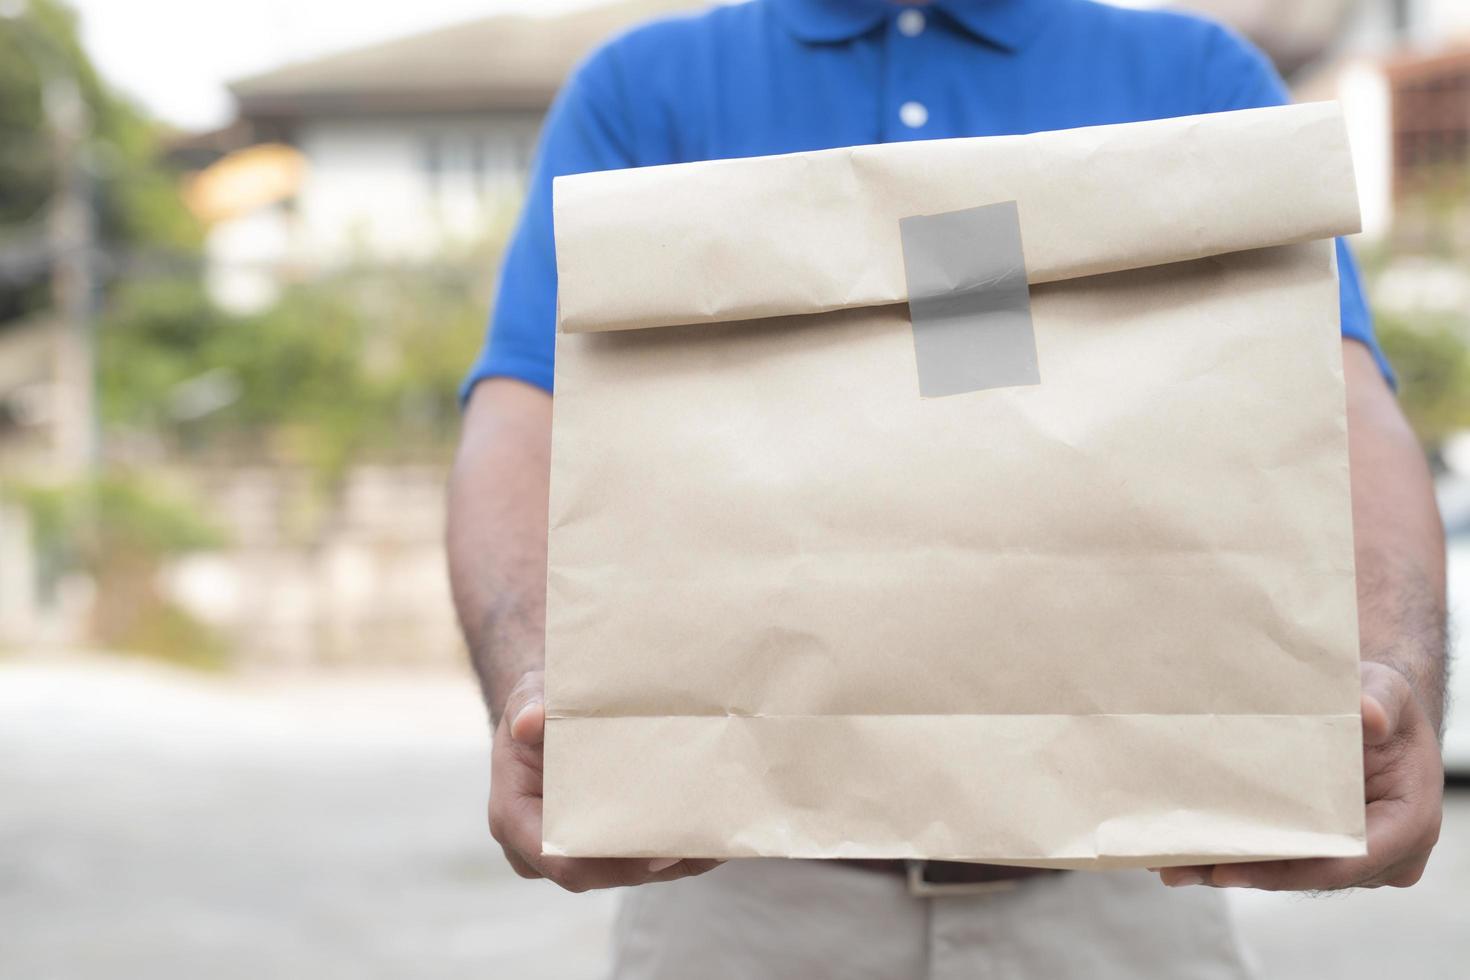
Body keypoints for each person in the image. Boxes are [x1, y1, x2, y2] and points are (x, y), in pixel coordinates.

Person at [447, 1, 1447, 975]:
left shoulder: (1201, 81)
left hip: (1129, 891)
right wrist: (534, 690)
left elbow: (1340, 401)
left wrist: (1398, 674)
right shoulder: (643, 92)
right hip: (741, 900)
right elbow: (522, 415)